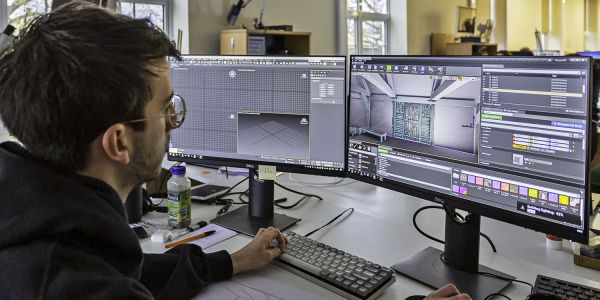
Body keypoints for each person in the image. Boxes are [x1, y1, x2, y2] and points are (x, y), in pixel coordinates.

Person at [0, 2, 470, 299]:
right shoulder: (73, 282)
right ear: (119, 142)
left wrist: (231, 261)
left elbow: (133, 268)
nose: (172, 124)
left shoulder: (37, 213)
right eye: (167, 109)